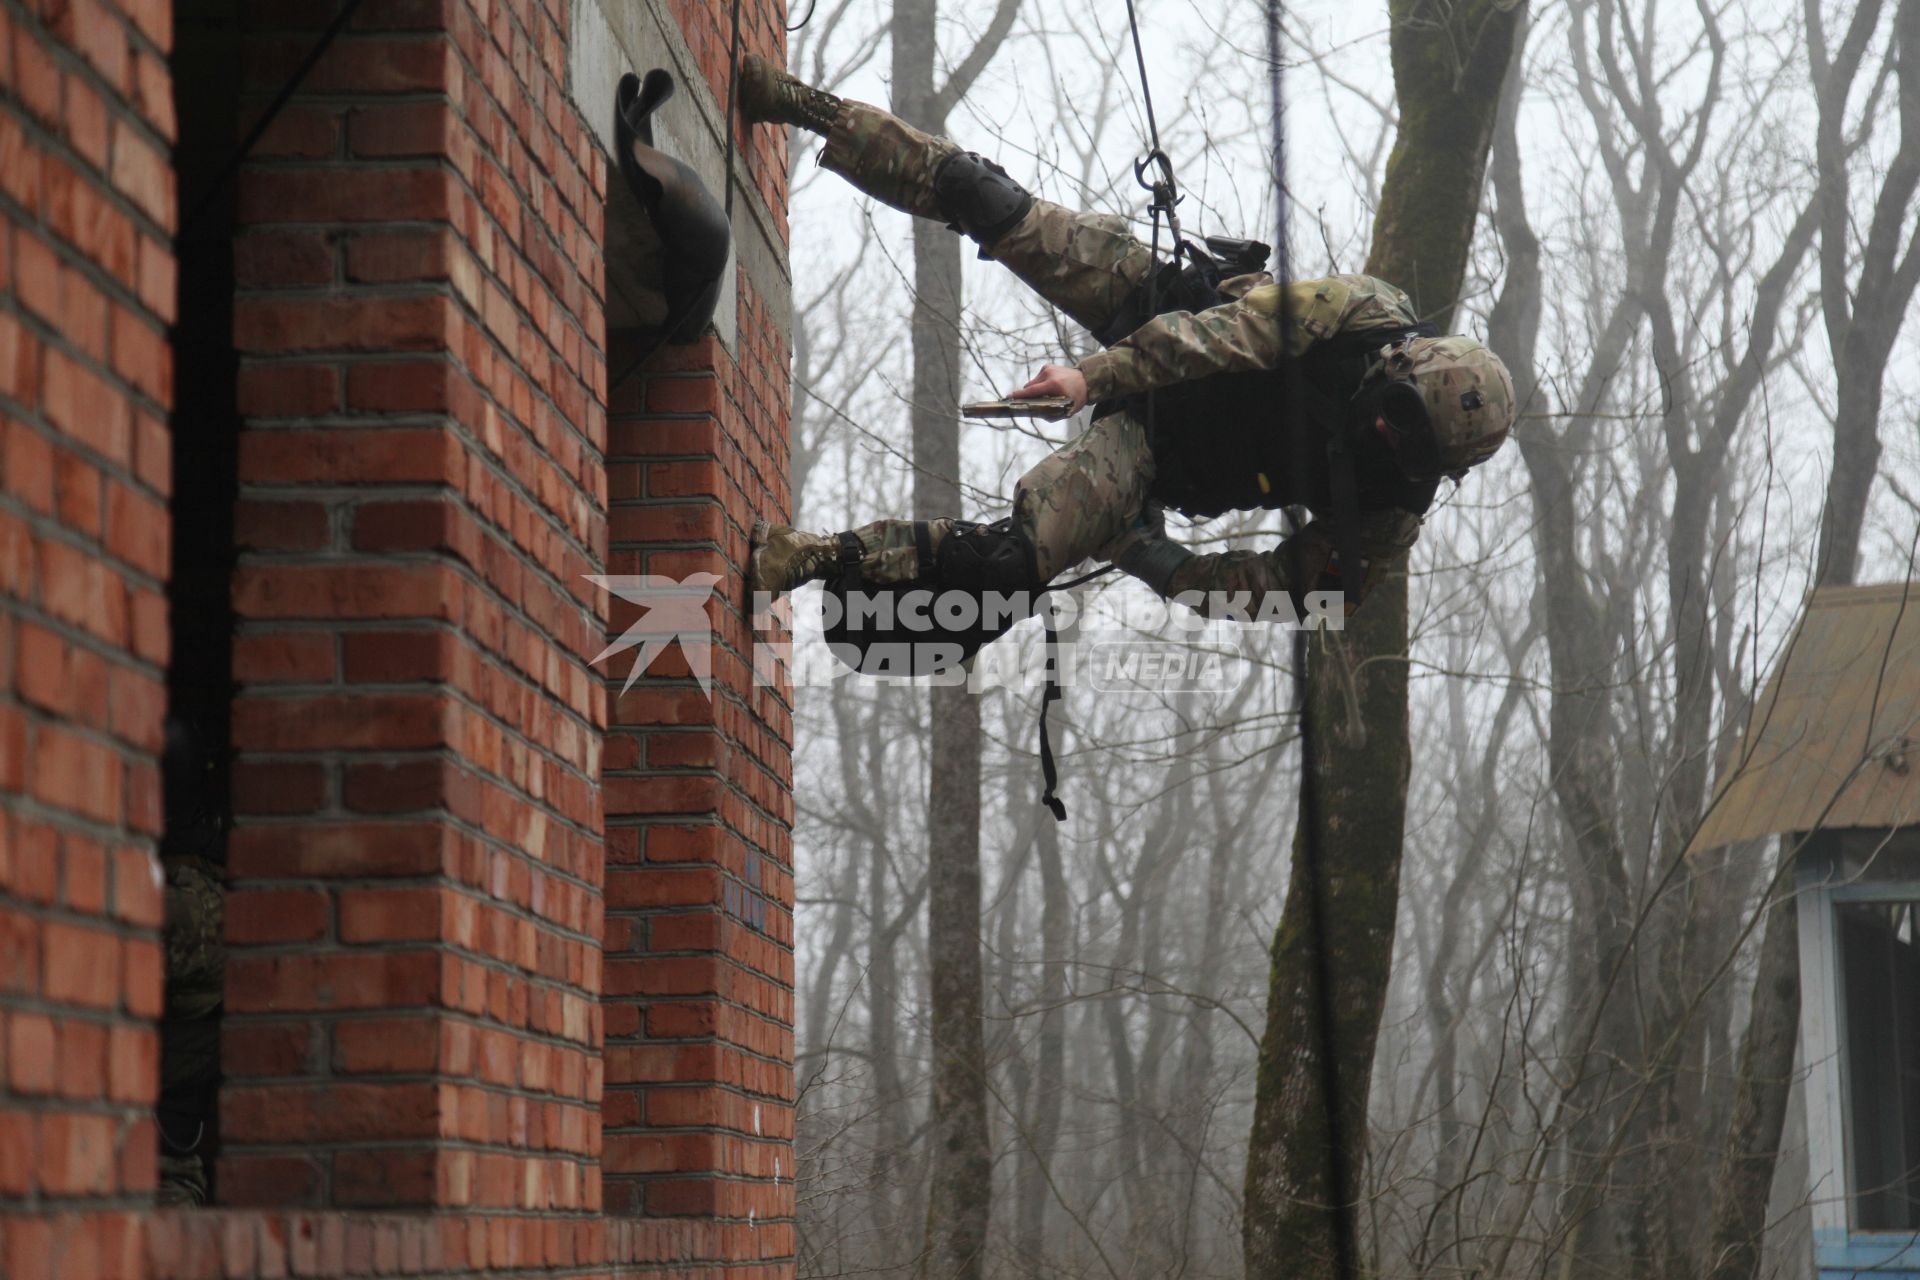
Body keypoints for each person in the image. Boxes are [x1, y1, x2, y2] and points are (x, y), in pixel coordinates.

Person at [738, 57, 1516, 623]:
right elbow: (1227, 335)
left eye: (1408, 444)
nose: (1385, 429)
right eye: (1398, 408)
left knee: (1010, 567)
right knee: (992, 203)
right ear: (1401, 362)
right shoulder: (1365, 314)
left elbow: (1281, 591)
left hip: (1157, 453)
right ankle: (807, 107)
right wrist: (1091, 377)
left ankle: (809, 557)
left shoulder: (1384, 517)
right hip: (1158, 312)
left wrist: (1157, 560)